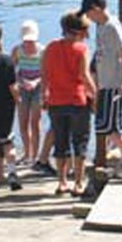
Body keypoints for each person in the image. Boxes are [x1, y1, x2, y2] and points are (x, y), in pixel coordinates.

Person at [79, 0, 122, 175]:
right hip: (104, 84)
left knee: (109, 126)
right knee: (106, 125)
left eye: (88, 13)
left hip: (115, 85)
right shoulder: (100, 26)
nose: (87, 17)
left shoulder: (113, 26)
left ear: (96, 9)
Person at [41, 12, 96, 196]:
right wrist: (96, 95)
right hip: (77, 100)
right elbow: (84, 76)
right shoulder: (82, 49)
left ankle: (62, 181)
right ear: (80, 31)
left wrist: (43, 96)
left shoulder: (50, 47)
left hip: (56, 101)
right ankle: (78, 182)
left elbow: (44, 74)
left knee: (60, 142)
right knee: (80, 142)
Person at [0, 22, 22, 191]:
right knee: (7, 140)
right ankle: (11, 173)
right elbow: (13, 87)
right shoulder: (6, 61)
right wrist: (19, 102)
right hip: (5, 107)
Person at [11, 20, 43, 164]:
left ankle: (35, 155)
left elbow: (47, 73)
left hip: (38, 87)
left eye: (31, 40)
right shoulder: (17, 50)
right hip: (23, 87)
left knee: (35, 122)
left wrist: (36, 82)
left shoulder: (42, 51)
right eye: (26, 40)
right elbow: (11, 70)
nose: (28, 43)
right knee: (23, 121)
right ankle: (26, 153)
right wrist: (21, 81)